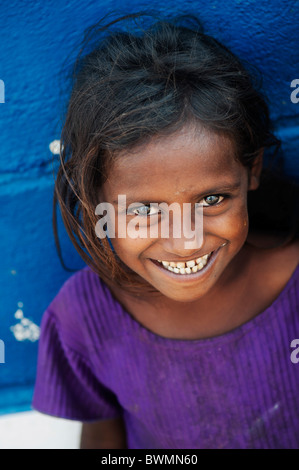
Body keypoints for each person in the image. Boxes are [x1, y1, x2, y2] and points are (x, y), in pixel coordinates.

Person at [32, 13, 299, 449]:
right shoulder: (84, 319)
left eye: (212, 200)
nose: (186, 240)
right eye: (145, 210)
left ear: (253, 171)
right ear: (94, 199)